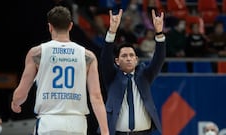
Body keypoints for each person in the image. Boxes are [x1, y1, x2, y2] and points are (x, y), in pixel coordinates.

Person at [10, 6, 109, 135]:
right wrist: (105, 131)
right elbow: (96, 97)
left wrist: (15, 103)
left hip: (49, 122)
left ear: (50, 27)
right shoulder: (88, 56)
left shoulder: (37, 53)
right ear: (71, 26)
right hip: (77, 124)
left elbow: (21, 94)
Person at [100, 8, 166, 135]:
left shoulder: (145, 75)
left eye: (131, 55)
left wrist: (159, 33)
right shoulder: (112, 76)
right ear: (117, 61)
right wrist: (112, 31)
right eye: (124, 56)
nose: (128, 58)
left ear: (136, 59)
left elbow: (159, 59)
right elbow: (105, 58)